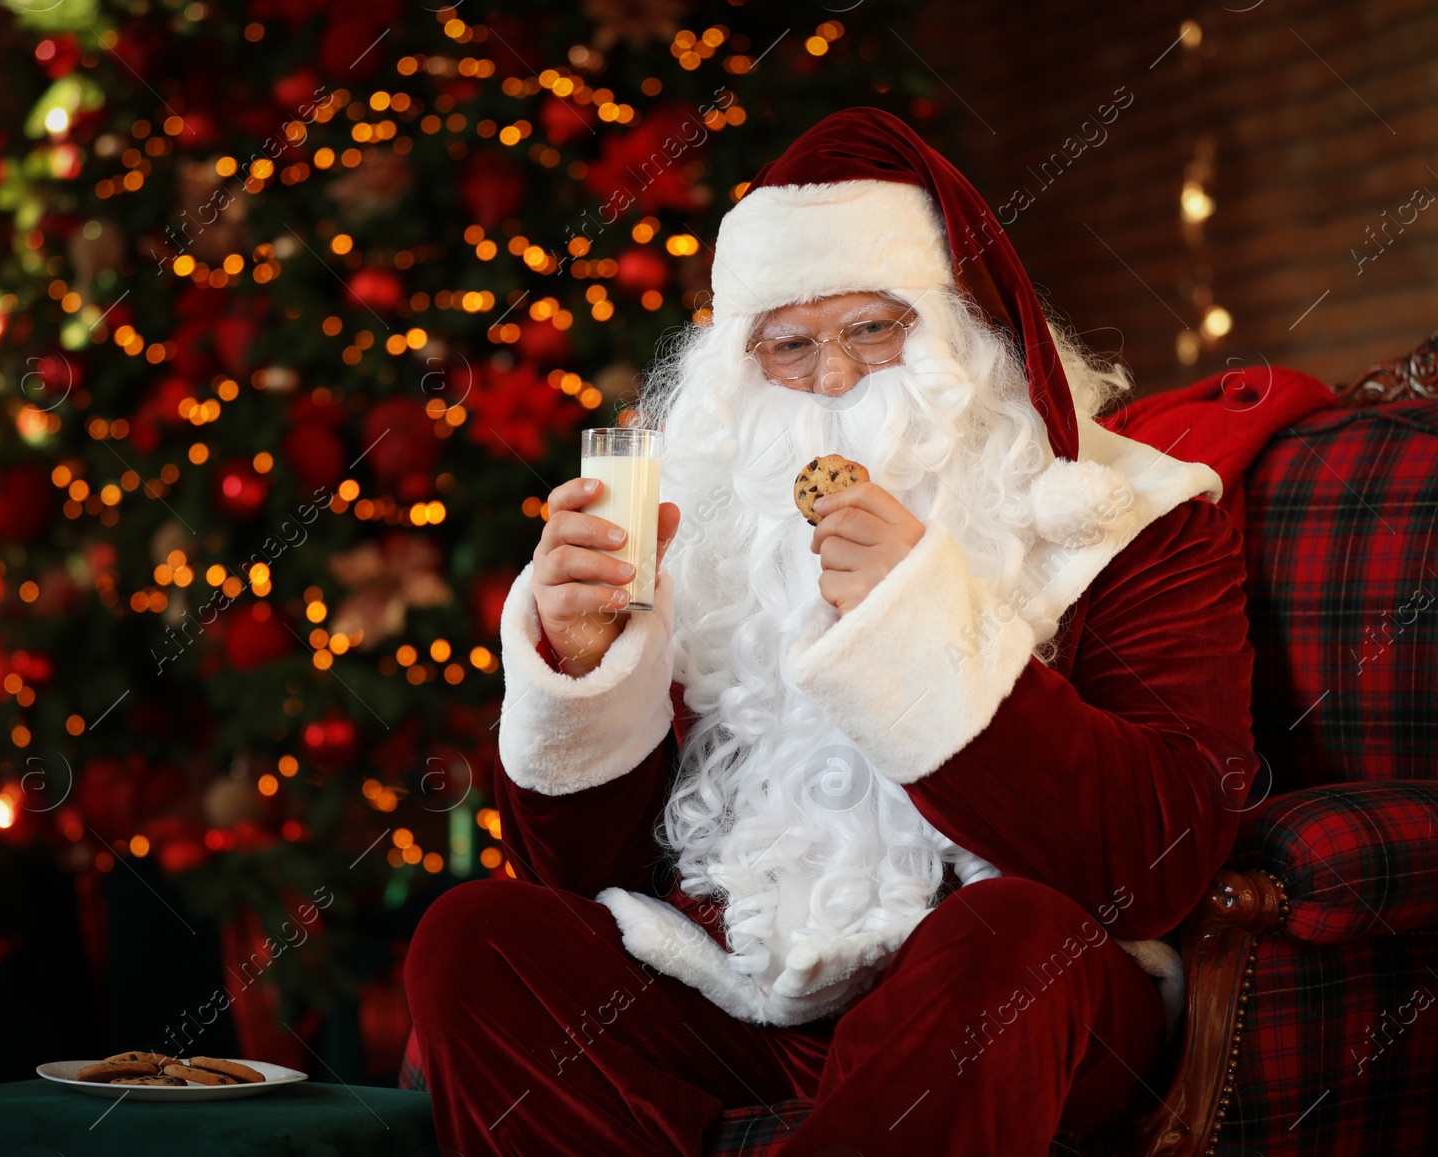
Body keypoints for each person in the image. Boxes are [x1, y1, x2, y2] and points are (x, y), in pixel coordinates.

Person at [406, 106, 1259, 1155]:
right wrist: (584, 668)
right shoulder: (692, 525)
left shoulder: (1129, 515)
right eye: (788, 346)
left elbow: (1158, 857)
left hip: (1013, 985)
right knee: (478, 938)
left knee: (1006, 939)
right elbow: (580, 875)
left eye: (872, 329)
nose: (832, 381)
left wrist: (917, 627)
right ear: (738, 363)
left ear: (964, 328)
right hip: (733, 985)